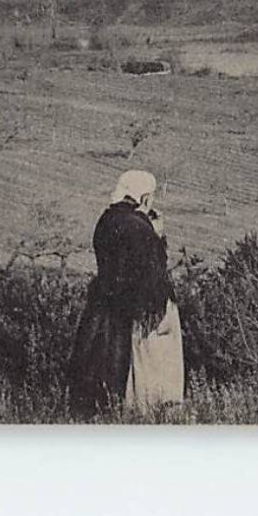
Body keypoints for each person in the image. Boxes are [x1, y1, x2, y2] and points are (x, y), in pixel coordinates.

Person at [67, 170, 184, 418]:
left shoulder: (105, 220)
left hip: (105, 305)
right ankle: (154, 411)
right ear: (144, 198)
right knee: (149, 366)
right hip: (138, 308)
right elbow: (155, 272)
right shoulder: (139, 227)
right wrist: (158, 235)